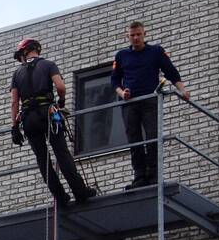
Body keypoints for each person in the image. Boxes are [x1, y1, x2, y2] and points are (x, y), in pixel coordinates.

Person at [10, 39, 96, 205]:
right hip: (47, 113)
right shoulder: (48, 64)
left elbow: (14, 102)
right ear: (37, 50)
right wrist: (61, 102)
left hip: (28, 119)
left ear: (24, 52)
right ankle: (80, 192)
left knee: (43, 160)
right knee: (61, 153)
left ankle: (60, 197)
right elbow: (61, 87)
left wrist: (14, 127)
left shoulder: (16, 74)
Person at [110, 21, 190, 188]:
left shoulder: (156, 51)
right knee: (134, 139)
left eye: (138, 34)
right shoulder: (121, 55)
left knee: (153, 137)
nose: (136, 38)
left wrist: (182, 90)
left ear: (144, 33)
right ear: (128, 36)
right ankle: (139, 177)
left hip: (150, 100)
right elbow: (114, 80)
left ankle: (154, 176)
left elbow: (171, 72)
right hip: (130, 103)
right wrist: (122, 93)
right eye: (132, 35)